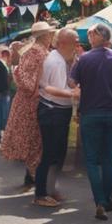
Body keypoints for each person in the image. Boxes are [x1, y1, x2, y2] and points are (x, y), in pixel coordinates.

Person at [70, 23, 112, 221]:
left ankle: (99, 200)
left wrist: (83, 85)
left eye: (91, 34)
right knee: (110, 158)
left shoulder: (83, 60)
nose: (89, 37)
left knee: (91, 160)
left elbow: (72, 82)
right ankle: (106, 199)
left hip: (91, 114)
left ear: (98, 36)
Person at [2, 22, 56, 188]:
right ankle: (33, 175)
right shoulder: (35, 52)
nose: (52, 37)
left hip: (35, 99)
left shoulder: (38, 51)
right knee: (34, 138)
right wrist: (36, 91)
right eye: (50, 34)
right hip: (32, 101)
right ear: (45, 36)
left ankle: (33, 174)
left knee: (35, 138)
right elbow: (25, 79)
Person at [33, 29, 79, 208]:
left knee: (56, 154)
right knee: (51, 154)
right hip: (54, 111)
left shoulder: (56, 58)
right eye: (74, 42)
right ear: (63, 43)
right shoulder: (57, 62)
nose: (77, 46)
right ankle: (41, 193)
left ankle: (49, 190)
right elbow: (54, 89)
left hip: (54, 110)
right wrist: (75, 92)